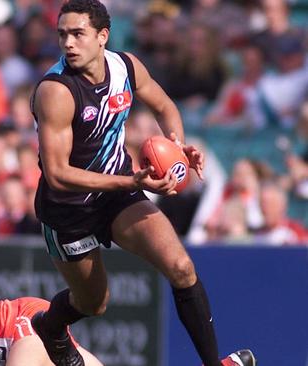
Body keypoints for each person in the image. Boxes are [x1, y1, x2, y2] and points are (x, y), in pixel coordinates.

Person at [29, 1, 255, 366]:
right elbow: (57, 174)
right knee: (93, 302)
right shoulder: (55, 91)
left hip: (118, 194)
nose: (68, 43)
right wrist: (129, 180)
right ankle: (50, 326)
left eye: (77, 34)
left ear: (102, 37)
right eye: (62, 34)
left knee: (181, 267)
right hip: (68, 209)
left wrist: (178, 149)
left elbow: (165, 106)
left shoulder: (126, 66)